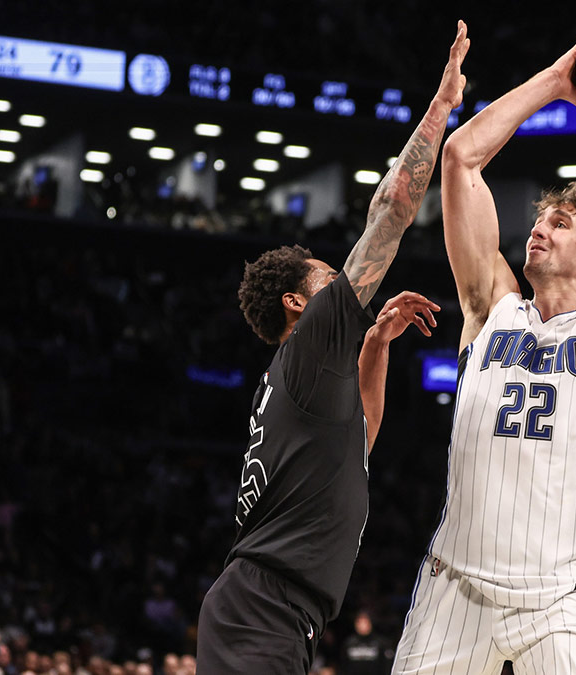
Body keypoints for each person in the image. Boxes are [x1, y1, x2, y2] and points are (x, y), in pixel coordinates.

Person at [391, 25, 576, 675]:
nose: (539, 228)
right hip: (454, 587)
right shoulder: (489, 304)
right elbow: (462, 158)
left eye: (559, 222)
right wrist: (557, 79)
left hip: (556, 598)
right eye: (540, 218)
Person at [195, 21, 470, 675]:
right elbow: (392, 209)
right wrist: (441, 105)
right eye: (325, 275)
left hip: (277, 612)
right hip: (261, 608)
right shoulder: (314, 334)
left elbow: (361, 438)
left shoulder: (310, 379)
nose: (340, 284)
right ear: (299, 301)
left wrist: (375, 347)